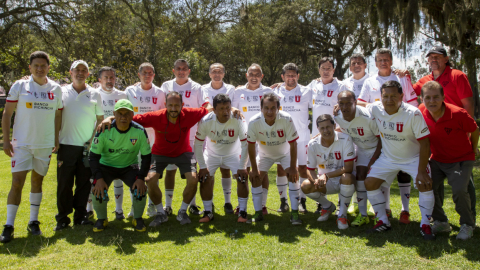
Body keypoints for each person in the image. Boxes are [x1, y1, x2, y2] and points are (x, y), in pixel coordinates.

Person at [0, 51, 63, 243]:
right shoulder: (20, 85)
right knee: (17, 182)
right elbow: (7, 113)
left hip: (44, 144)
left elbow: (58, 115)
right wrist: (6, 139)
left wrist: (56, 138)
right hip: (22, 143)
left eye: (43, 65)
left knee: (37, 182)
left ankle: (33, 222)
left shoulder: (56, 88)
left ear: (48, 67)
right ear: (30, 67)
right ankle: (9, 225)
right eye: (36, 65)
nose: (39, 68)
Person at [412, 45, 477, 218]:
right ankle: (439, 218)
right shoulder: (425, 80)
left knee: (462, 182)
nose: (434, 60)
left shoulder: (457, 75)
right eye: (431, 57)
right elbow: (408, 92)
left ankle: (470, 215)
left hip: (457, 129)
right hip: (435, 135)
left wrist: (467, 132)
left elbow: (468, 104)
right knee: (435, 178)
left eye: (438, 57)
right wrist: (402, 75)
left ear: (446, 59)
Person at [365, 80, 435, 240]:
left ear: (402, 96)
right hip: (388, 158)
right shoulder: (375, 108)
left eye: (393, 96)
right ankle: (382, 220)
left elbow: (425, 144)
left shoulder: (413, 113)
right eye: (385, 96)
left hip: (413, 158)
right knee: (370, 183)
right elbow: (359, 107)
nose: (389, 100)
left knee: (425, 184)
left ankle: (425, 224)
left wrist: (422, 171)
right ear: (380, 97)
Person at [358, 48, 419, 224]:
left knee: (403, 171)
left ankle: (405, 210)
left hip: (403, 129)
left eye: (386, 59)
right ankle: (385, 208)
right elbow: (361, 102)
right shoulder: (370, 81)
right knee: (383, 169)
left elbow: (413, 103)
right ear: (375, 63)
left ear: (391, 61)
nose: (383, 62)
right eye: (380, 60)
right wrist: (377, 106)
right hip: (381, 130)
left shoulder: (402, 77)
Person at [419, 81, 478, 240]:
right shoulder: (421, 112)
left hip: (461, 159)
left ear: (443, 97)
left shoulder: (457, 113)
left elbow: (474, 130)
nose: (432, 101)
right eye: (428, 98)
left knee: (459, 189)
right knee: (426, 186)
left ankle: (467, 224)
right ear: (422, 99)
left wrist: (473, 149)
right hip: (437, 159)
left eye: (436, 97)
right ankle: (441, 221)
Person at [55, 60, 104, 231]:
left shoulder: (95, 94)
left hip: (86, 147)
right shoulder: (60, 91)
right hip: (65, 145)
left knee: (84, 184)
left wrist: (92, 142)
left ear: (88, 74)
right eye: (77, 70)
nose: (80, 73)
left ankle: (80, 216)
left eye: (84, 70)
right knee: (64, 184)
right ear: (70, 72)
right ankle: (62, 219)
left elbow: (99, 120)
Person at [89, 99, 151, 232]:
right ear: (114, 114)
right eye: (120, 113)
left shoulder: (139, 131)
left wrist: (141, 178)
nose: (123, 117)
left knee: (140, 189)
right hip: (106, 166)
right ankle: (101, 219)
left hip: (129, 167)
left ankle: (138, 218)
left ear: (132, 115)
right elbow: (93, 157)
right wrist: (98, 178)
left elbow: (146, 157)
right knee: (97, 189)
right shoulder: (104, 129)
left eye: (127, 113)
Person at [161, 59, 208, 216]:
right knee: (170, 171)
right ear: (173, 71)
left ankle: (192, 205)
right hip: (171, 135)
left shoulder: (197, 87)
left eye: (184, 68)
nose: (181, 71)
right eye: (178, 68)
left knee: (192, 172)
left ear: (189, 71)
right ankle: (168, 205)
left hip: (192, 136)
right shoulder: (166, 86)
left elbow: (205, 105)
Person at [246, 93, 301, 225]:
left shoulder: (286, 119)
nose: (269, 111)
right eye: (266, 108)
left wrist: (293, 168)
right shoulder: (254, 122)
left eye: (273, 108)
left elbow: (293, 144)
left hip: (285, 153)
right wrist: (253, 169)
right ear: (261, 108)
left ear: (278, 108)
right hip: (265, 155)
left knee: (293, 176)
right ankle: (258, 213)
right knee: (255, 178)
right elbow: (251, 146)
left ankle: (294, 213)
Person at [194, 94, 249, 222]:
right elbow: (197, 144)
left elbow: (245, 144)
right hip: (212, 155)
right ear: (214, 110)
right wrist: (202, 167)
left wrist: (242, 166)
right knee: (205, 178)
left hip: (233, 155)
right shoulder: (206, 120)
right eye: (221, 109)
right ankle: (208, 212)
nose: (226, 112)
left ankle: (242, 212)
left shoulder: (238, 119)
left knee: (242, 178)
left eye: (228, 108)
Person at [334, 90, 383, 226]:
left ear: (355, 103)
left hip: (378, 149)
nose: (344, 107)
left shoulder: (367, 117)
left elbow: (381, 140)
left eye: (348, 103)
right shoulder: (337, 116)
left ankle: (381, 213)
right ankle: (363, 215)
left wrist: (373, 161)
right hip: (361, 149)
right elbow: (342, 129)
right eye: (341, 104)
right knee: (360, 176)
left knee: (377, 180)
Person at [86, 66, 128, 220]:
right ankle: (89, 209)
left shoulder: (123, 95)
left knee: (117, 177)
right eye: (106, 78)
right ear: (99, 80)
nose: (109, 80)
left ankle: (118, 210)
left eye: (112, 77)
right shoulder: (92, 94)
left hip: (118, 141)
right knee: (94, 176)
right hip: (98, 141)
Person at [232, 64, 274, 215]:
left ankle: (262, 205)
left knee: (262, 172)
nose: (254, 77)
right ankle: (241, 205)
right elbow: (231, 109)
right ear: (246, 75)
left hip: (263, 138)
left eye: (257, 74)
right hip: (243, 138)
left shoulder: (268, 91)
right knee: (243, 171)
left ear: (262, 76)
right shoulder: (238, 91)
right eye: (251, 74)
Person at [301, 114, 356, 229]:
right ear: (318, 129)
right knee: (305, 185)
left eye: (328, 127)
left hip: (344, 179)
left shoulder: (345, 138)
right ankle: (327, 206)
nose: (325, 131)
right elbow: (310, 170)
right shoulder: (313, 144)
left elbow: (349, 167)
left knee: (347, 177)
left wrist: (326, 175)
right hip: (326, 182)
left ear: (334, 126)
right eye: (322, 128)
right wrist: (316, 181)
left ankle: (342, 214)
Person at [125, 62, 165, 218]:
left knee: (152, 176)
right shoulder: (130, 91)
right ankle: (135, 207)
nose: (147, 76)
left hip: (154, 141)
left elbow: (163, 115)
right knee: (134, 175)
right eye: (144, 73)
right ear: (139, 75)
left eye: (150, 73)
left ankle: (151, 207)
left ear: (154, 75)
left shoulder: (160, 92)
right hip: (133, 140)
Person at [273, 63, 313, 213]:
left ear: (298, 76)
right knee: (282, 169)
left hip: (302, 137)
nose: (291, 78)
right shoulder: (275, 91)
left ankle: (302, 201)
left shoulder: (307, 91)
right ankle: (283, 201)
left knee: (302, 169)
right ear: (282, 77)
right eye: (288, 75)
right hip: (282, 138)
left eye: (293, 75)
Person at [200, 63, 237, 214]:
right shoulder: (203, 88)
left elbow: (232, 105)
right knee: (209, 170)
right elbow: (207, 105)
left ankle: (227, 202)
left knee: (226, 170)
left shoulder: (231, 88)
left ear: (224, 73)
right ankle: (209, 205)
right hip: (209, 128)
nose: (217, 74)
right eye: (214, 71)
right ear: (209, 74)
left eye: (220, 71)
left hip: (227, 127)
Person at [309, 57, 349, 137]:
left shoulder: (341, 86)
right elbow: (299, 90)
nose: (326, 71)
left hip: (336, 133)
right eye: (323, 68)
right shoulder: (313, 84)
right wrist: (283, 84)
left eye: (329, 68)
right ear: (319, 70)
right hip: (316, 133)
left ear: (333, 70)